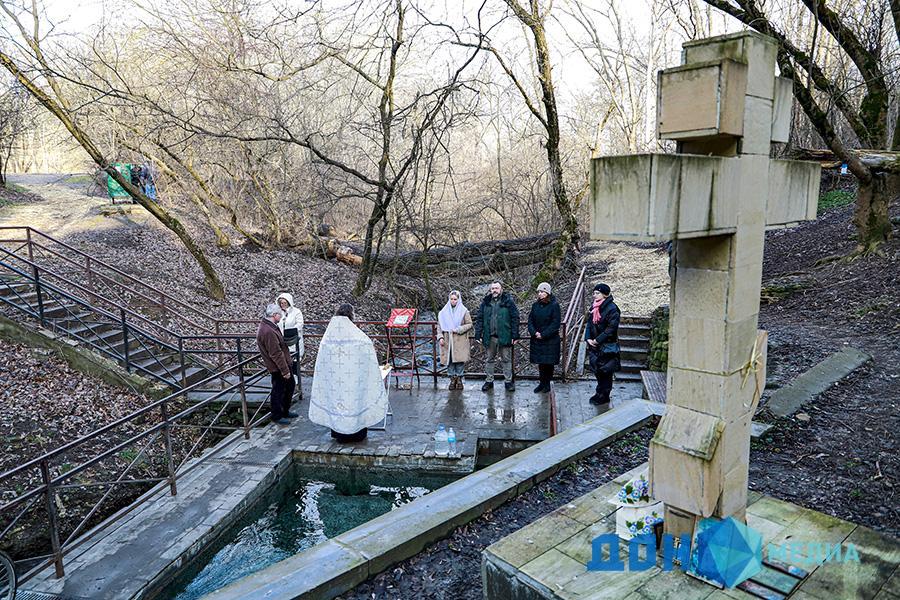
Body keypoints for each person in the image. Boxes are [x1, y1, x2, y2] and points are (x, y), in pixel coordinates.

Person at [309, 304, 388, 442]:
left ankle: (338, 433)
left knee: (337, 401)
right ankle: (356, 434)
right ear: (351, 316)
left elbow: (322, 361)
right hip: (353, 380)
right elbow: (367, 355)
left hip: (335, 380)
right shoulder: (359, 338)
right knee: (354, 401)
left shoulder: (328, 338)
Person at [255, 303, 297, 425]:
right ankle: (277, 415)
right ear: (274, 315)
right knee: (279, 390)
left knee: (288, 387)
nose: (282, 317)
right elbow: (275, 353)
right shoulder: (268, 331)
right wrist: (285, 370)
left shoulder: (270, 327)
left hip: (281, 364)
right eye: (280, 314)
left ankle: (284, 411)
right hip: (277, 367)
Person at [475, 282, 520, 392]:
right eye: (492, 288)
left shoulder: (508, 301)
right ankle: (489, 381)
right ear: (490, 290)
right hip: (490, 337)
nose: (494, 290)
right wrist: (478, 333)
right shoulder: (485, 302)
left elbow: (515, 318)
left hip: (505, 335)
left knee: (506, 359)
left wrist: (515, 335)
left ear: (501, 289)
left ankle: (508, 382)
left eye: (496, 288)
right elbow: (480, 318)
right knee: (489, 359)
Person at [584, 283, 621, 408]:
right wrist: (588, 338)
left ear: (605, 294)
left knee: (606, 371)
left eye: (597, 293)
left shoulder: (612, 308)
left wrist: (598, 340)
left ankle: (604, 395)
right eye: (594, 293)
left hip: (607, 346)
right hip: (595, 345)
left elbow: (611, 328)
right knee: (598, 370)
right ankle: (599, 392)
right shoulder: (594, 307)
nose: (595, 295)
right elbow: (589, 324)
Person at [528, 282, 561, 394]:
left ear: (547, 292)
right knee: (541, 363)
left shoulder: (554, 305)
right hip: (537, 338)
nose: (540, 294)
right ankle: (541, 383)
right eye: (539, 292)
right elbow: (530, 320)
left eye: (542, 291)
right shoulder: (535, 305)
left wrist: (543, 334)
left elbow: (555, 323)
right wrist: (534, 332)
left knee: (548, 363)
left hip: (550, 339)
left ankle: (547, 384)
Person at [438, 290, 473, 390]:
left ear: (458, 300)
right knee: (449, 361)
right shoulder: (444, 311)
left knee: (459, 361)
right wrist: (440, 337)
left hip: (459, 339)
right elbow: (439, 325)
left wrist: (459, 329)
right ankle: (452, 379)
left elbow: (469, 324)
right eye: (451, 299)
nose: (453, 301)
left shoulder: (464, 311)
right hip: (447, 339)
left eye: (455, 299)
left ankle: (459, 379)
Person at [276, 292, 305, 398]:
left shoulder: (296, 312)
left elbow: (300, 324)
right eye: (281, 303)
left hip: (293, 341)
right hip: (282, 341)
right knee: (283, 360)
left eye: (284, 302)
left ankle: (295, 383)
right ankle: (286, 382)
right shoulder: (278, 312)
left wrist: (291, 331)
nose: (282, 304)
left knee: (294, 361)